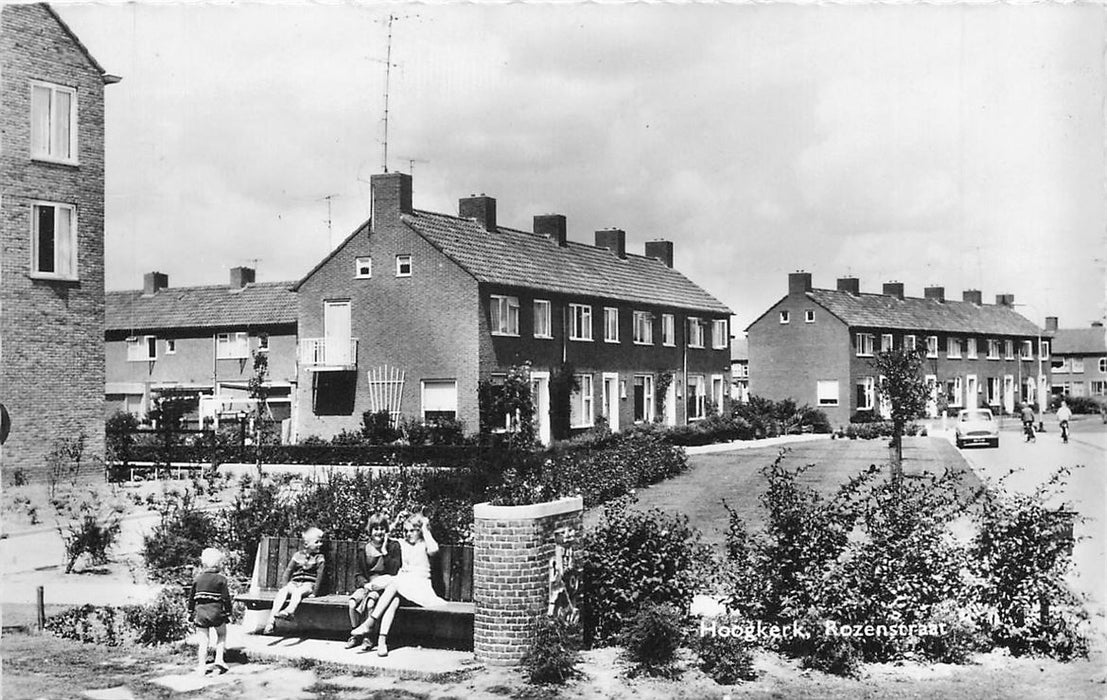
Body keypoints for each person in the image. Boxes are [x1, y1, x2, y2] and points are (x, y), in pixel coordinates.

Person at [349, 511, 446, 656]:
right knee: (393, 600)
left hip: (420, 587)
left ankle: (369, 623)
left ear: (419, 531)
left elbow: (435, 550)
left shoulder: (424, 544)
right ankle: (382, 642)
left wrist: (425, 527)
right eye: (406, 531)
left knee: (394, 584)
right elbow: (385, 536)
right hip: (404, 585)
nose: (408, 534)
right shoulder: (402, 544)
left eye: (412, 531)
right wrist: (396, 521)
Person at [345, 513, 401, 649]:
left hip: (384, 587)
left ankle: (368, 638)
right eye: (376, 528)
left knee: (370, 603)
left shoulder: (393, 546)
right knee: (352, 603)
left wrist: (384, 550)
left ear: (386, 530)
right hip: (367, 585)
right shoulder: (363, 549)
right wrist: (365, 584)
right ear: (370, 531)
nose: (379, 532)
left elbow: (394, 571)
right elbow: (358, 574)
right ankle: (356, 635)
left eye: (382, 528)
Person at [264, 527, 326, 634]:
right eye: (317, 542)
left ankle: (290, 610)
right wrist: (284, 585)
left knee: (298, 592)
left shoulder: (319, 557)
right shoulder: (297, 556)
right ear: (306, 544)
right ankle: (271, 622)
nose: (320, 544)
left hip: (308, 585)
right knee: (282, 592)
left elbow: (320, 576)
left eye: (321, 542)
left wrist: (314, 593)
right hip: (294, 583)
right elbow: (288, 571)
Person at [189, 547, 232, 675]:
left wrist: (190, 612)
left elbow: (191, 598)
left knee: (203, 641)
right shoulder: (221, 579)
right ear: (219, 563)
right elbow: (226, 598)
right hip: (216, 612)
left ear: (203, 563)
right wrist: (229, 612)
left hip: (201, 613)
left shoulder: (197, 579)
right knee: (222, 634)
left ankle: (201, 666)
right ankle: (219, 659)